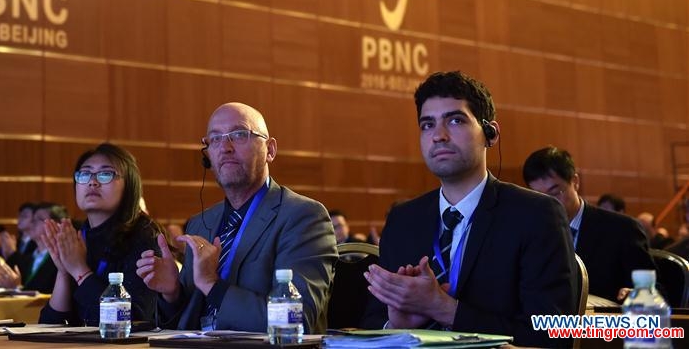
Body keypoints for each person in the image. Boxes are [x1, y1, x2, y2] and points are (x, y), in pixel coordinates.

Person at [361, 71, 578, 347]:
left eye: (455, 120)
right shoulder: (404, 220)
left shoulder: (535, 215)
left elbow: (550, 334)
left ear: (491, 133)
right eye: (427, 125)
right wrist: (396, 325)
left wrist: (443, 308)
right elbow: (370, 324)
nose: (438, 136)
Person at [136, 102, 337, 333]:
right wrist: (172, 294)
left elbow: (296, 321)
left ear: (270, 150)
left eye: (239, 134)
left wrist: (213, 286)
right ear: (207, 155)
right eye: (215, 139)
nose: (225, 147)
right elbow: (183, 323)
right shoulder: (201, 222)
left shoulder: (303, 217)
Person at [39, 144, 162, 325]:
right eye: (85, 174)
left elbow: (131, 320)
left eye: (105, 174)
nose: (92, 182)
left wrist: (80, 271)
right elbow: (51, 325)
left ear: (129, 185)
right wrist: (64, 271)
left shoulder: (144, 236)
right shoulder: (80, 236)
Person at [523, 146, 654, 303]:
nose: (549, 205)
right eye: (539, 197)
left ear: (575, 182)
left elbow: (655, 293)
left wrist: (636, 294)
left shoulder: (622, 229)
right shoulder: (531, 233)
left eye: (555, 193)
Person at [0, 202, 67, 293]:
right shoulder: (30, 256)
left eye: (38, 219)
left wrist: (16, 288)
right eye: (32, 219)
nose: (31, 224)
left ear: (57, 224)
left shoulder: (61, 258)